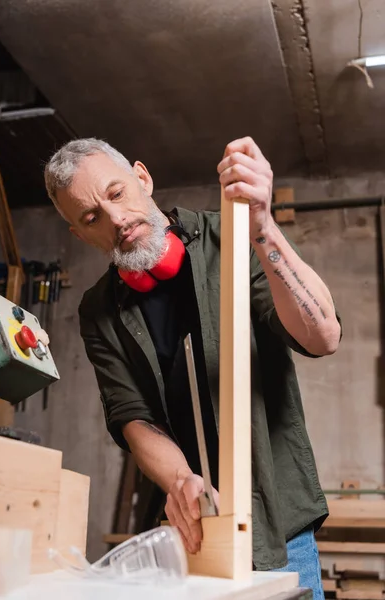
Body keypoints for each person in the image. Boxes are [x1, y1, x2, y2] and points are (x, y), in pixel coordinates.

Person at [44, 136, 341, 600]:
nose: (116, 220)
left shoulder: (236, 237)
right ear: (80, 235)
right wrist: (181, 482)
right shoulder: (98, 310)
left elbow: (323, 337)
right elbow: (132, 415)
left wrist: (261, 225)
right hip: (190, 534)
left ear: (142, 177)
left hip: (280, 525)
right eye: (90, 218)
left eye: (117, 194)